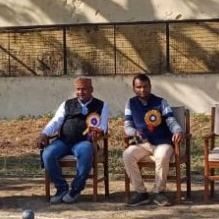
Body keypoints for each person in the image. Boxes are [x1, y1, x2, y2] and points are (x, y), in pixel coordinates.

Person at [36, 76, 109, 205]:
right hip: (64, 141)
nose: (81, 92)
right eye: (78, 89)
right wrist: (44, 134)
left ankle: (75, 189)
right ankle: (61, 188)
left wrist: (98, 131)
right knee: (47, 153)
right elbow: (56, 121)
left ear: (91, 89)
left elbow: (103, 125)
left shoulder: (101, 105)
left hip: (84, 142)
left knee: (86, 151)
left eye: (84, 89)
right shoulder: (67, 104)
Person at [122, 73, 183, 206]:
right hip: (141, 143)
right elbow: (127, 125)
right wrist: (134, 132)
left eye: (145, 86)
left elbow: (170, 120)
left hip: (163, 142)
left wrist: (177, 131)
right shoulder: (130, 103)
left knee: (161, 156)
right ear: (134, 88)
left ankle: (158, 193)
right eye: (139, 87)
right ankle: (141, 193)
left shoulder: (161, 102)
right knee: (127, 155)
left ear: (150, 86)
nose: (142, 90)